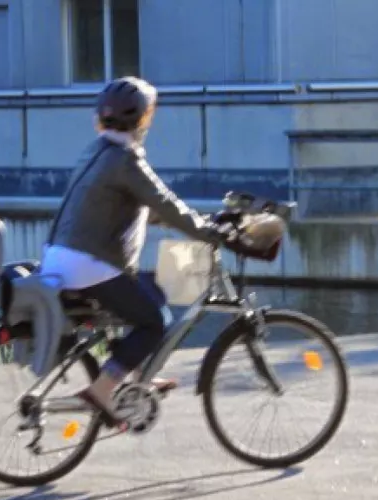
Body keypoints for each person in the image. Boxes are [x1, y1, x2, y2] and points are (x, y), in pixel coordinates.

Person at [39, 76, 233, 428]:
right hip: (89, 264)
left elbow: (144, 207)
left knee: (153, 289)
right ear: (144, 119)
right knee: (155, 321)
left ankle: (141, 374)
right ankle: (103, 388)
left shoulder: (97, 152)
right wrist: (210, 232)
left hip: (61, 257)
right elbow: (166, 204)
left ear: (101, 118)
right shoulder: (127, 160)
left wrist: (193, 223)